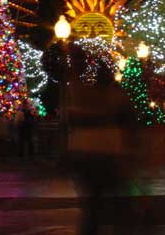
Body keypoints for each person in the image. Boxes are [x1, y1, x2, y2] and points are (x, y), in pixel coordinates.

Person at [68, 76, 138, 235]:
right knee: (116, 204)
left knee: (93, 206)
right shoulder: (114, 98)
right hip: (106, 155)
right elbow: (128, 123)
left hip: (88, 155)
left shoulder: (82, 97)